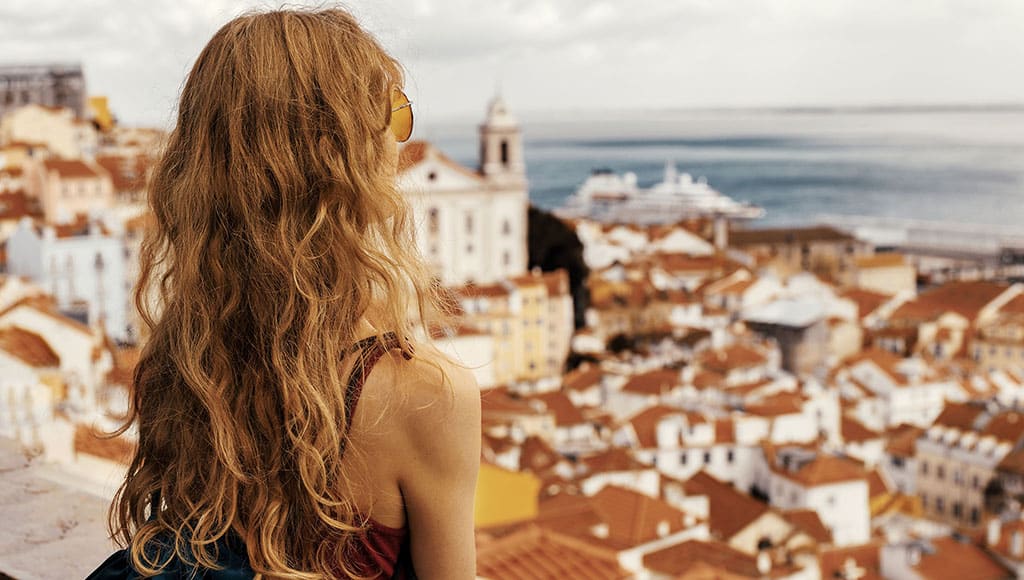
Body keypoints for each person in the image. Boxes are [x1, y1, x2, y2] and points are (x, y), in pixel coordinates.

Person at [107, 8, 481, 579]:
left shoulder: (185, 356)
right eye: (394, 115)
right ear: (345, 158)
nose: (399, 141)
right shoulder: (424, 393)